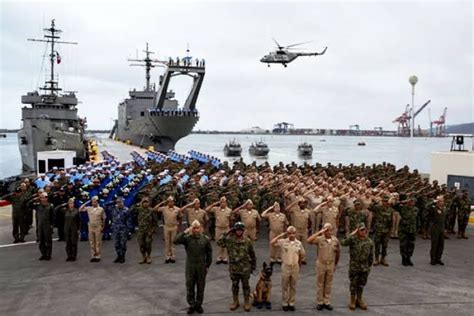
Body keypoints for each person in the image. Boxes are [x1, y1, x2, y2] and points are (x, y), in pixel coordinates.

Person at [174, 220, 213, 314]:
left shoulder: (205, 239)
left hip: (201, 266)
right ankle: (191, 304)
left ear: (200, 228)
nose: (196, 230)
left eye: (197, 228)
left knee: (200, 287)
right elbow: (175, 241)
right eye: (194, 228)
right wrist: (185, 231)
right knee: (190, 286)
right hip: (190, 266)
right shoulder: (187, 238)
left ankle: (199, 305)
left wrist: (207, 265)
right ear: (192, 228)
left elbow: (209, 253)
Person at [217, 222, 256, 312]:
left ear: (243, 231)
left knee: (246, 286)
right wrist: (227, 233)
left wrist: (253, 266)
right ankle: (235, 301)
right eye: (237, 230)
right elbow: (219, 242)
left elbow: (252, 254)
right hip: (234, 268)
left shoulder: (247, 241)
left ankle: (246, 302)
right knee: (235, 285)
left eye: (240, 230)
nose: (239, 232)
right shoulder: (230, 240)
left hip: (245, 268)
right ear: (234, 231)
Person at [271, 226, 305, 312]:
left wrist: (299, 264)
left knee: (293, 285)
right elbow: (272, 242)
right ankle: (285, 302)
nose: (292, 235)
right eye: (289, 233)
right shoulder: (283, 242)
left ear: (295, 233)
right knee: (285, 285)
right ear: (287, 233)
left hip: (295, 266)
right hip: (286, 266)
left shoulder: (299, 243)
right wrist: (281, 235)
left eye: (293, 233)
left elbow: (301, 255)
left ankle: (292, 302)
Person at [340, 223, 374, 310]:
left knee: (361, 284)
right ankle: (352, 300)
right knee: (353, 283)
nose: (363, 232)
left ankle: (359, 299)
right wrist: (352, 233)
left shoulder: (369, 242)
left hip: (364, 267)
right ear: (357, 231)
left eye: (364, 230)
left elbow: (371, 256)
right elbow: (343, 242)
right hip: (354, 266)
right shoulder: (353, 239)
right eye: (361, 230)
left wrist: (368, 267)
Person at [307, 223, 340, 311]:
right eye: (327, 230)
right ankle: (320, 302)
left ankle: (327, 301)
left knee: (328, 283)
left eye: (330, 230)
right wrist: (320, 232)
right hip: (321, 263)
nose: (329, 232)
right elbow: (309, 240)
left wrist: (335, 265)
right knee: (320, 283)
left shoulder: (335, 240)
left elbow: (338, 253)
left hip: (331, 264)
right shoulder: (320, 239)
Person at [154, 196, 181, 263]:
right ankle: (167, 256)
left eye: (172, 201)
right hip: (166, 227)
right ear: (167, 202)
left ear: (174, 202)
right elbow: (155, 209)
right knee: (167, 242)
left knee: (173, 242)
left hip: (174, 227)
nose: (171, 203)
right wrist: (162, 202)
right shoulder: (164, 209)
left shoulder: (177, 209)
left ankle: (173, 257)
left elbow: (180, 217)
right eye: (169, 201)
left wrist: (179, 227)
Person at [206, 197, 232, 264]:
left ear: (226, 203)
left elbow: (231, 220)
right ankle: (219, 257)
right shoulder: (216, 209)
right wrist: (214, 204)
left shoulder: (229, 210)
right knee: (219, 243)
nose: (222, 203)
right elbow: (207, 209)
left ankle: (225, 258)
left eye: (224, 202)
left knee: (226, 243)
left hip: (226, 228)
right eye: (221, 202)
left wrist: (231, 229)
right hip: (218, 228)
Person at [79, 196, 106, 262]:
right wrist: (87, 202)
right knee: (91, 242)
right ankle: (93, 255)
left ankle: (98, 256)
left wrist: (103, 226)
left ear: (97, 202)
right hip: (91, 227)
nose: (94, 203)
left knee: (98, 242)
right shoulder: (89, 208)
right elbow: (80, 209)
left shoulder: (101, 209)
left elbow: (104, 218)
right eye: (93, 202)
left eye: (95, 202)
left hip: (98, 226)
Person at [133, 197, 157, 264]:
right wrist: (138, 204)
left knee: (148, 244)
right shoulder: (139, 209)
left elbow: (155, 221)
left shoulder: (151, 210)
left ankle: (148, 256)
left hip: (148, 230)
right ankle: (143, 257)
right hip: (141, 231)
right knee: (141, 244)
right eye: (144, 202)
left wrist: (153, 230)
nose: (146, 203)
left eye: (147, 202)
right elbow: (131, 210)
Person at [372, 195, 393, 266]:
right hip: (378, 230)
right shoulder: (378, 208)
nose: (385, 202)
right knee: (377, 245)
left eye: (386, 201)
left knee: (385, 246)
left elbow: (391, 221)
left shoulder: (390, 210)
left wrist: (390, 231)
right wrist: (376, 202)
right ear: (382, 201)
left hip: (386, 230)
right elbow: (370, 207)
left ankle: (383, 259)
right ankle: (376, 259)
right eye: (384, 201)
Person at [111, 197, 132, 263]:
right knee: (116, 244)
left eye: (120, 202)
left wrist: (128, 231)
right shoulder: (114, 209)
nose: (119, 204)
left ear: (123, 202)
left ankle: (123, 256)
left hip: (123, 229)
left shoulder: (126, 210)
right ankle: (118, 256)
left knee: (123, 244)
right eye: (117, 202)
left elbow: (129, 221)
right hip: (115, 229)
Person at [398, 197, 418, 266]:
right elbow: (395, 205)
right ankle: (403, 258)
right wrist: (403, 201)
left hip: (412, 229)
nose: (412, 202)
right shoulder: (403, 208)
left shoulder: (415, 209)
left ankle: (408, 258)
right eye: (411, 201)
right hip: (404, 229)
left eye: (414, 202)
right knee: (403, 245)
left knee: (411, 245)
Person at [35, 192, 55, 260]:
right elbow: (27, 204)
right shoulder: (38, 206)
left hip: (47, 225)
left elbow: (53, 217)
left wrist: (52, 225)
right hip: (40, 225)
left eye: (45, 197)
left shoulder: (50, 206)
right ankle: (43, 254)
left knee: (48, 241)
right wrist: (36, 198)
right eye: (42, 197)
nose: (44, 199)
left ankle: (48, 254)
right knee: (41, 241)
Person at [430, 196, 447, 265]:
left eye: (442, 201)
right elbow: (427, 207)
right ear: (437, 201)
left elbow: (445, 219)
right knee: (434, 244)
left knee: (441, 244)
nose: (441, 202)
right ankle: (433, 259)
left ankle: (438, 259)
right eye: (440, 201)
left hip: (442, 227)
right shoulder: (433, 208)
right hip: (435, 227)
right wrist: (432, 203)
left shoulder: (445, 208)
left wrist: (445, 228)